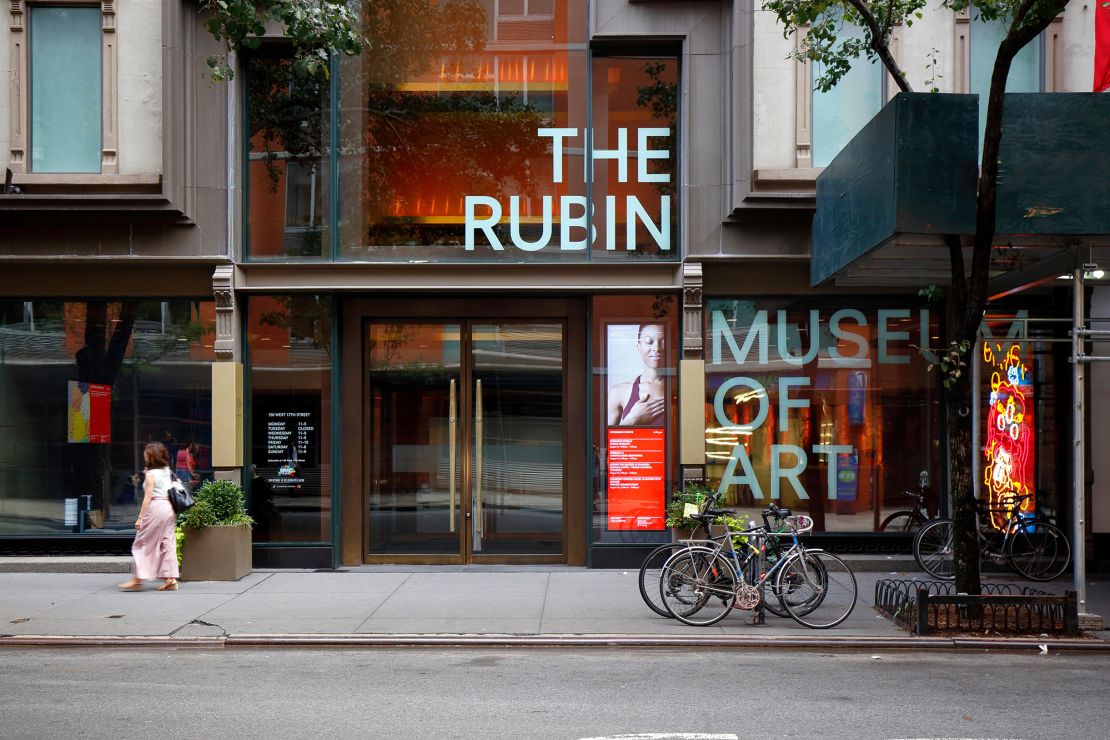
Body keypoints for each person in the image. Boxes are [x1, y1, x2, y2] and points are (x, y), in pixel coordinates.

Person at [118, 442, 179, 592]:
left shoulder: (152, 474)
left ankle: (137, 579)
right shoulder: (166, 470)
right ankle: (170, 578)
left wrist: (140, 518)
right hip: (169, 508)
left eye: (146, 453)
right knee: (167, 543)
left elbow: (147, 498)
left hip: (156, 508)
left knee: (142, 542)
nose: (144, 455)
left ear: (151, 456)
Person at [607, 323, 666, 426]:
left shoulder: (680, 388)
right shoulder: (618, 392)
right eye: (649, 341)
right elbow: (608, 440)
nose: (656, 348)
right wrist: (631, 419)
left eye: (663, 342)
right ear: (638, 346)